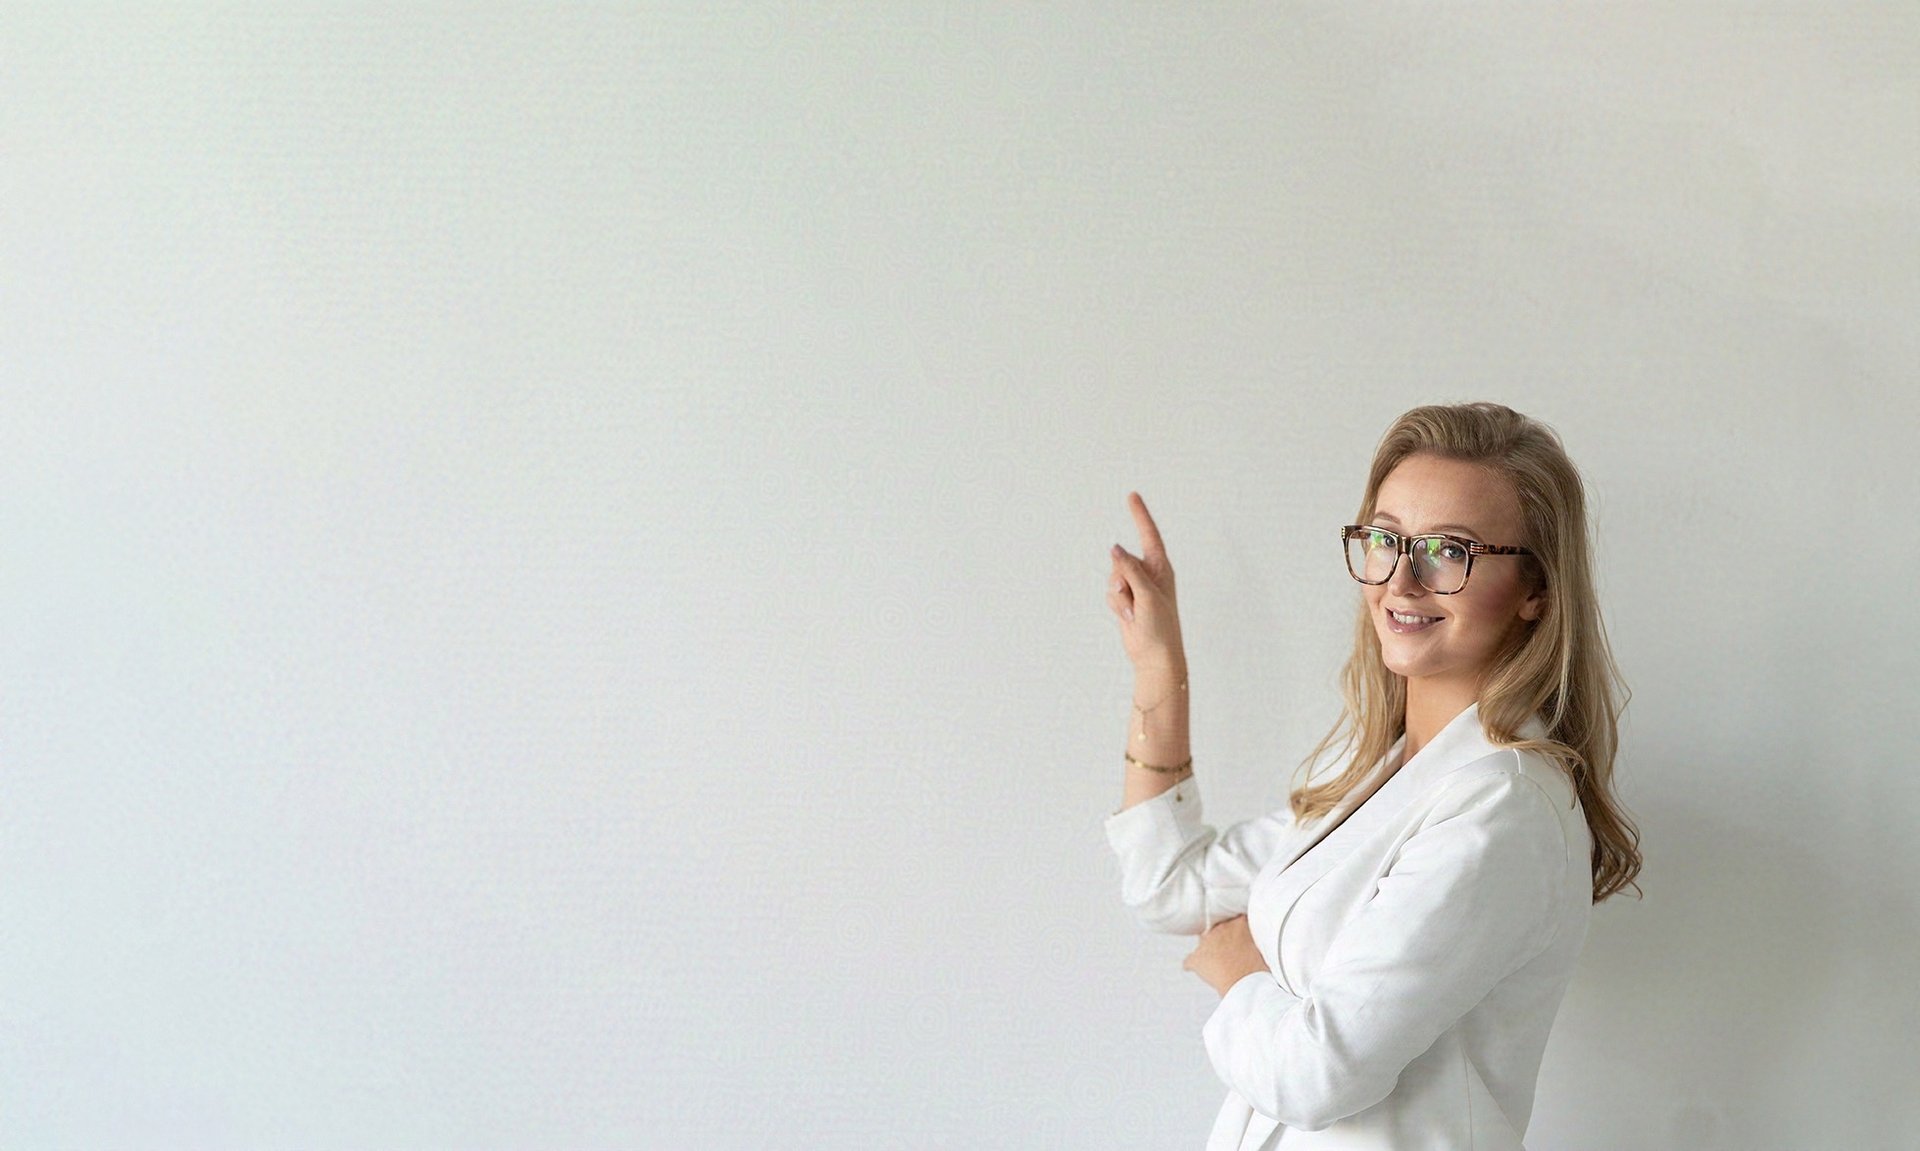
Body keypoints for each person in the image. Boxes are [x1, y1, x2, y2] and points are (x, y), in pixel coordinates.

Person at [1103, 402, 1642, 1150]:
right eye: (1386, 539)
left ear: (1536, 590)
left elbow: (1317, 1073)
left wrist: (1240, 971)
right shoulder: (1378, 775)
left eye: (1449, 551)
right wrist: (1161, 664)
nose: (1401, 580)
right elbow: (1169, 882)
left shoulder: (1503, 806)